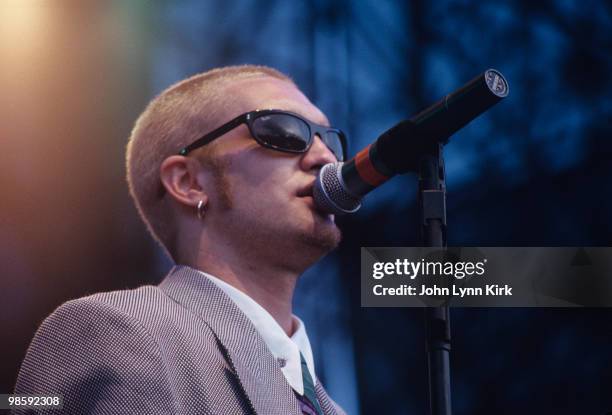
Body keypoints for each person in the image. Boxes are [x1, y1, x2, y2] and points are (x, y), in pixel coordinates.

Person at [14, 65, 348, 415]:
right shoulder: (117, 332)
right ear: (189, 183)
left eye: (329, 140)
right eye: (284, 130)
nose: (325, 157)